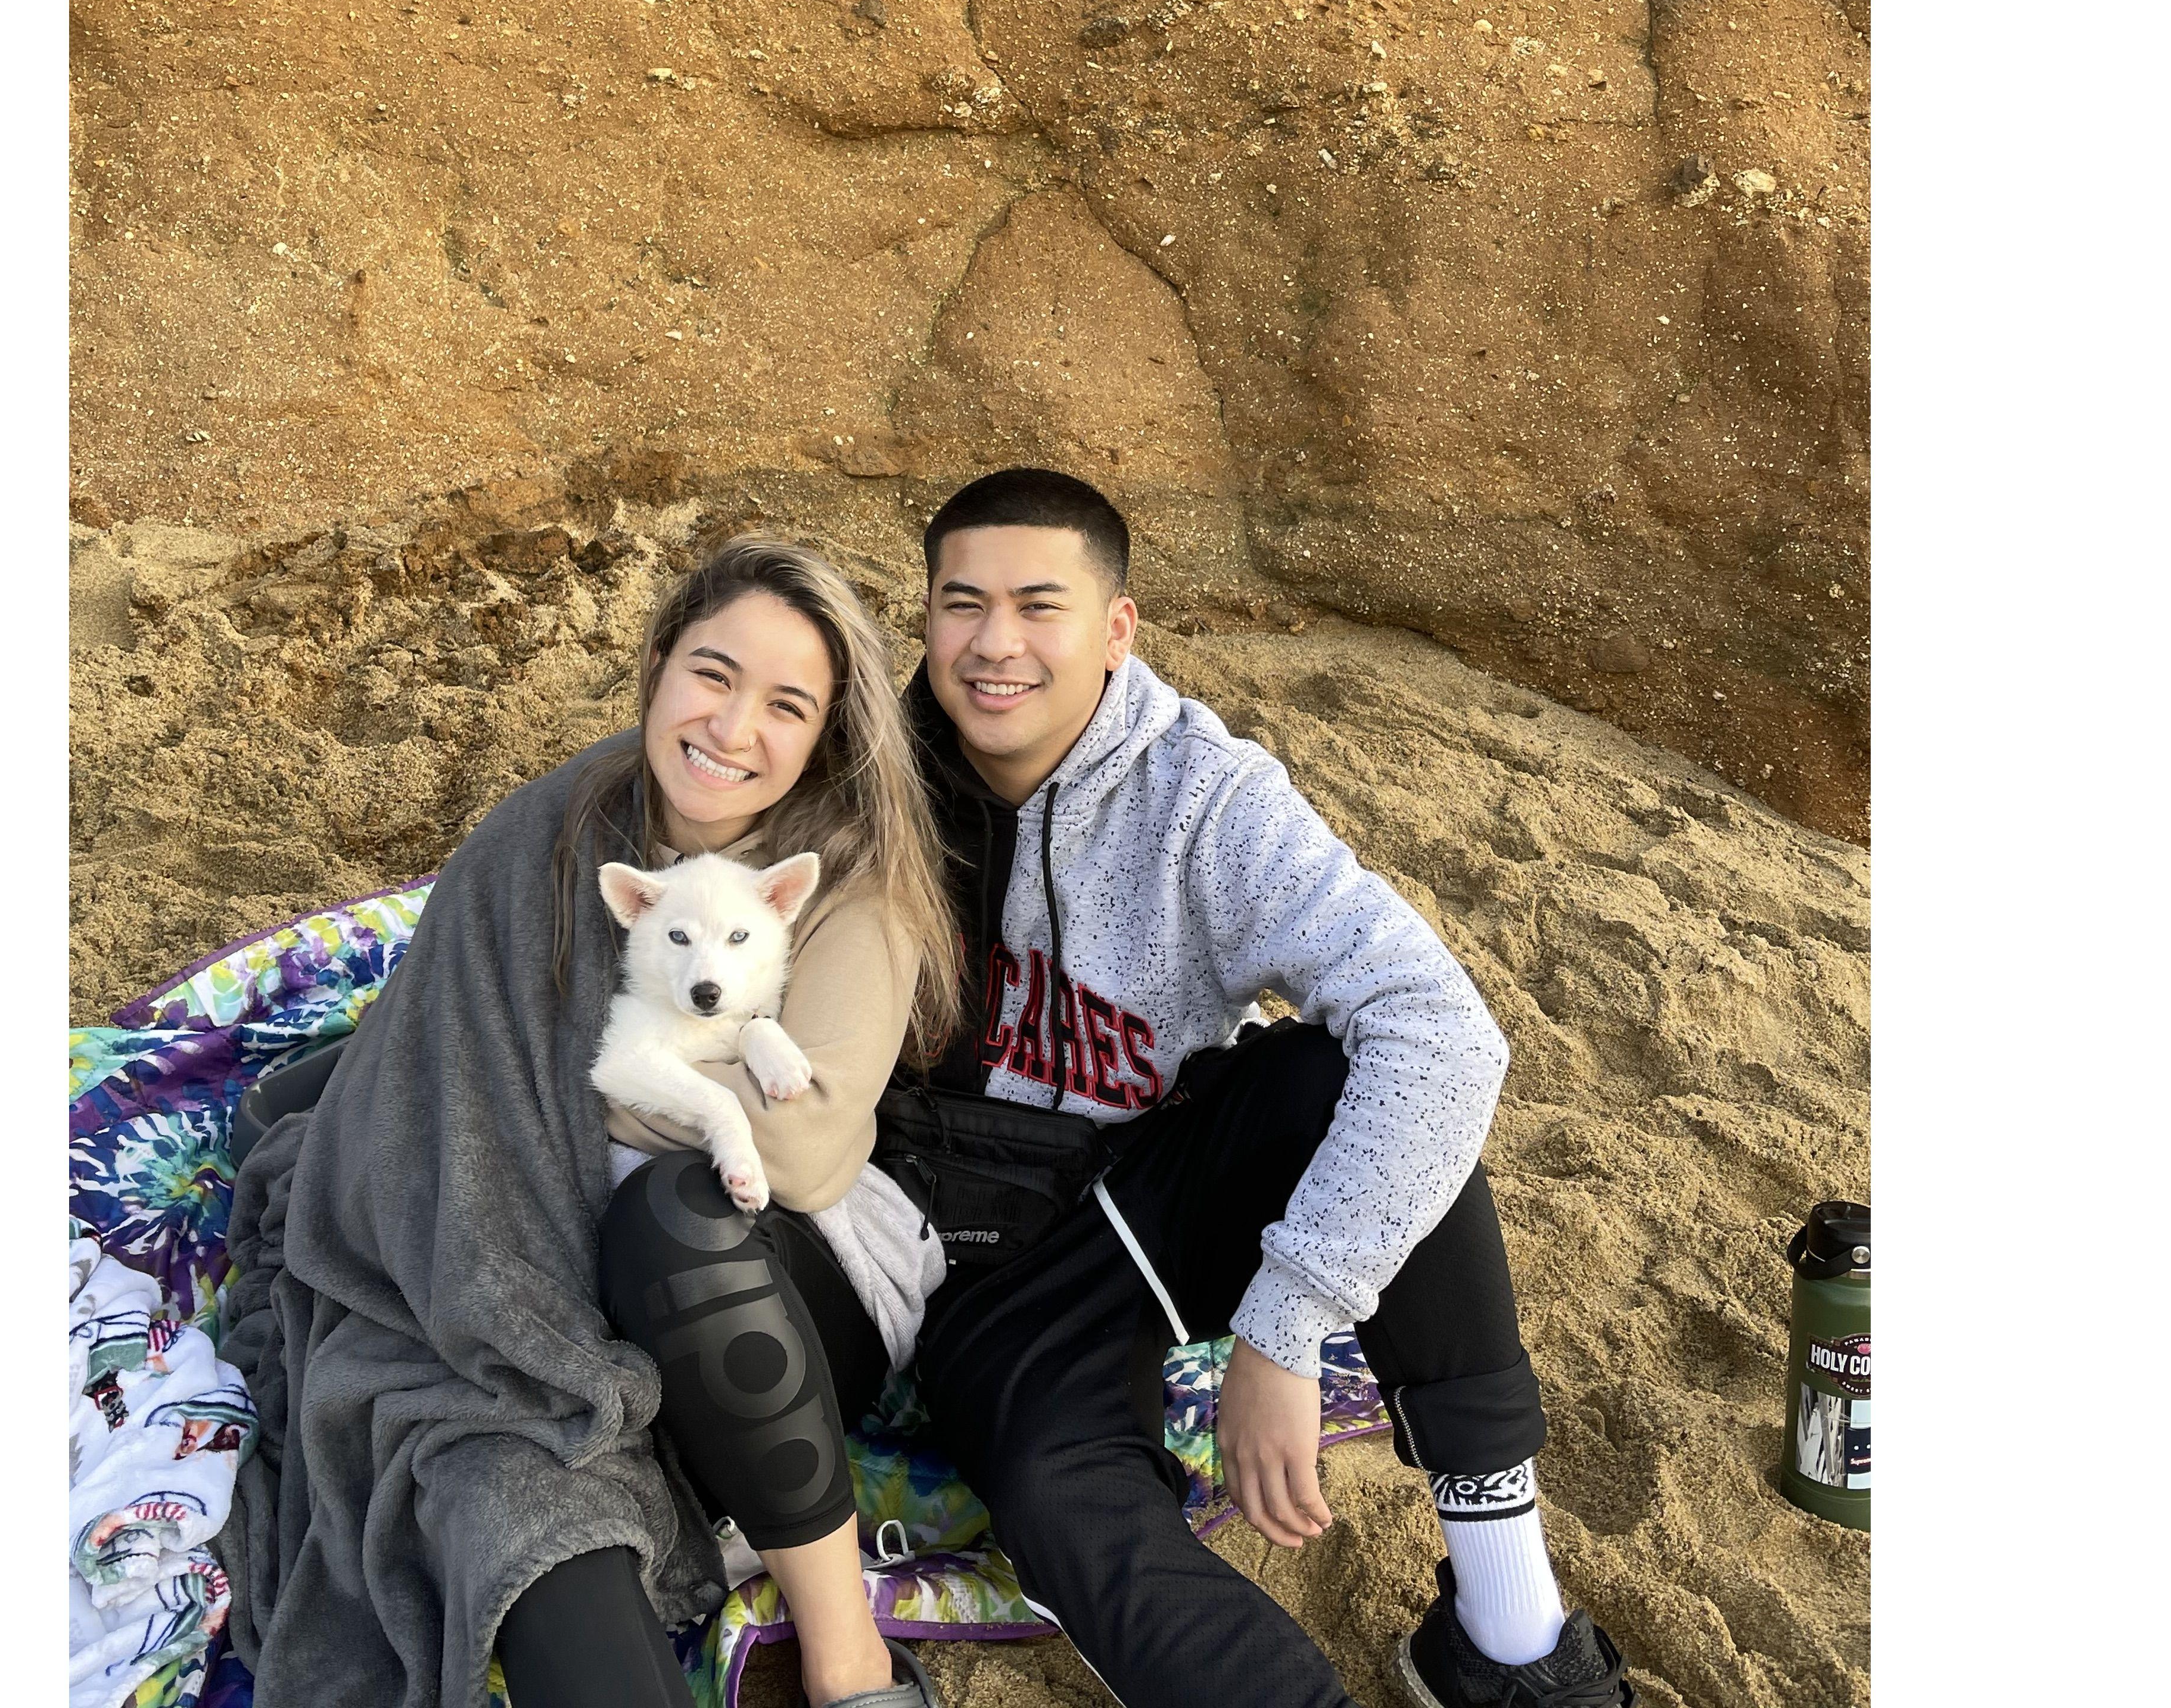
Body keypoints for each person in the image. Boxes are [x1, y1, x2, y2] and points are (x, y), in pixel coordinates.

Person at [884, 468, 1640, 1708]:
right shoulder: (862, 772)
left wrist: (1286, 1328)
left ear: (1117, 630)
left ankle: (1510, 1630)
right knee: (1058, 1501)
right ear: (925, 618)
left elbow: (1444, 1031)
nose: (995, 644)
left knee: (1351, 1082)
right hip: (964, 1254)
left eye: (1039, 605)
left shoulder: (1204, 795)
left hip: (1155, 1183)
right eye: (962, 605)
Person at [223, 537, 958, 1708]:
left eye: (787, 706)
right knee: (500, 1460)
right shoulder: (559, 827)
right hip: (538, 1273)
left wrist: (581, 1086)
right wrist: (469, 1080)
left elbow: (808, 1151)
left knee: (669, 1220)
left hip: (776, 1292)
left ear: (825, 735)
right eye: (712, 674)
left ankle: (849, 1663)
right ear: (658, 666)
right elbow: (467, 1039)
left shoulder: (846, 882)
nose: (732, 729)